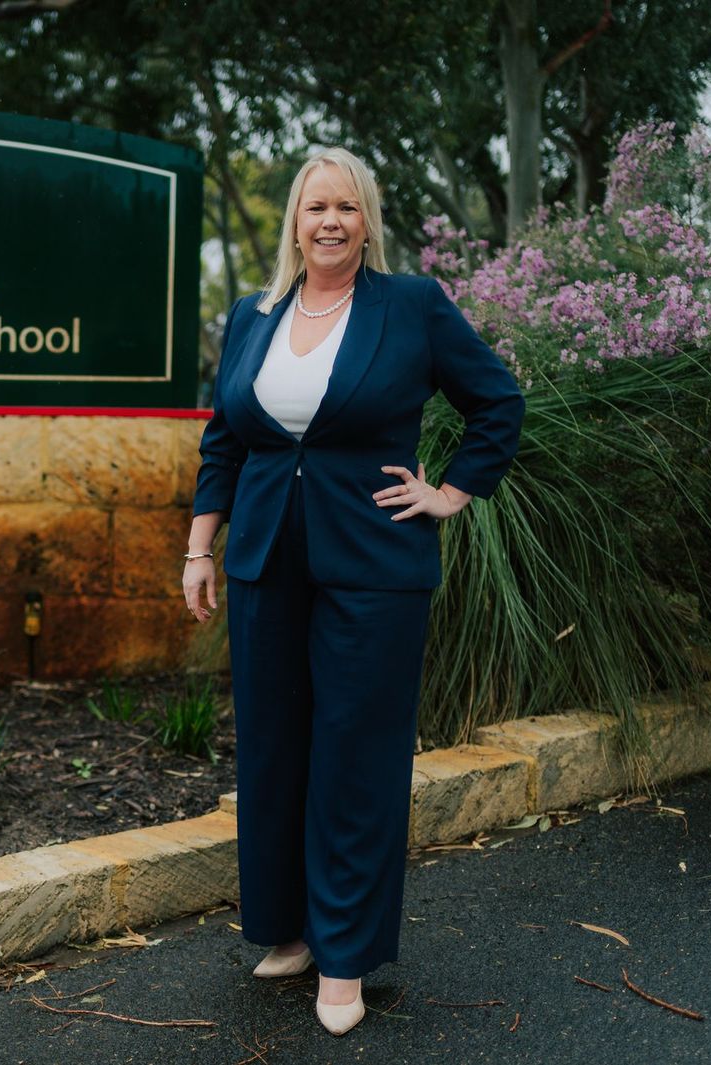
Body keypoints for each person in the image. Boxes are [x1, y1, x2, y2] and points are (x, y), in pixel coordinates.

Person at [182, 148, 524, 1036]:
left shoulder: (410, 305)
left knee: (355, 754)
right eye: (315, 207)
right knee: (273, 747)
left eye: (346, 206)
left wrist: (450, 492)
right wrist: (199, 548)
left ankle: (345, 956)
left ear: (366, 221)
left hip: (374, 564)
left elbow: (497, 400)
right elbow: (225, 440)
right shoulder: (253, 314)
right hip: (265, 560)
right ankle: (289, 928)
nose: (329, 220)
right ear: (294, 223)